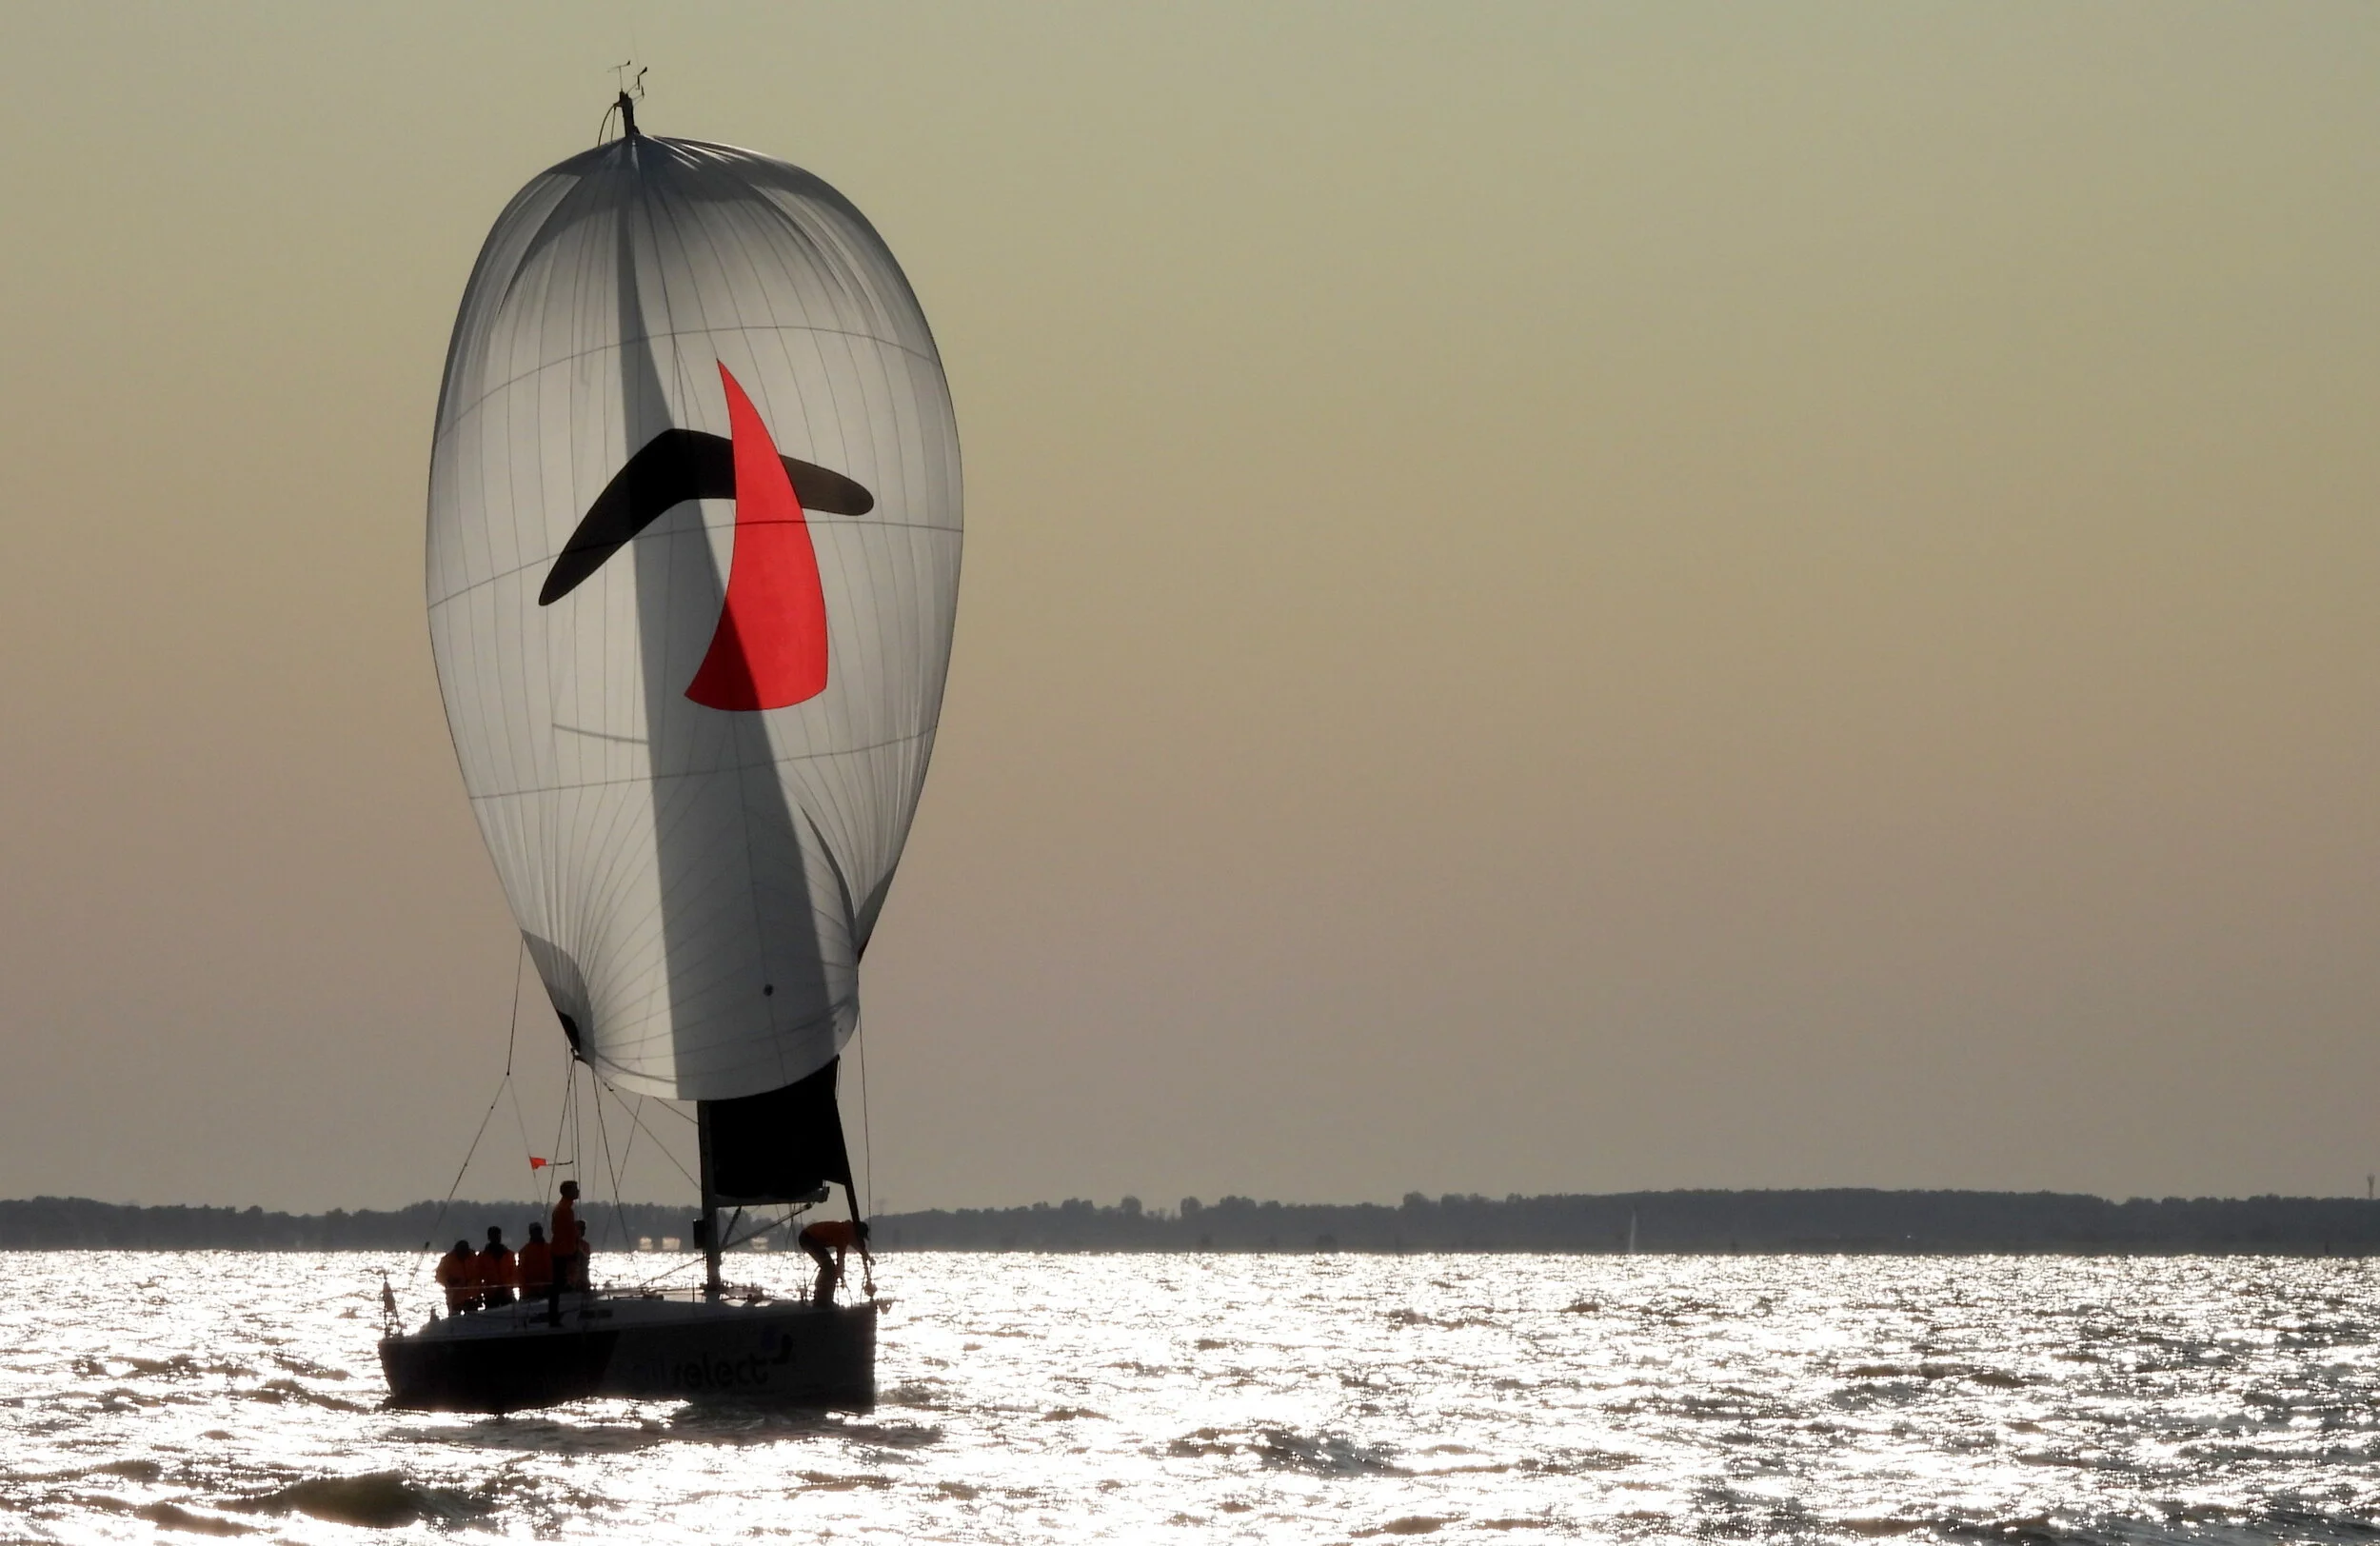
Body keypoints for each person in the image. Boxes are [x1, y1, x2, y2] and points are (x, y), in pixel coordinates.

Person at [797, 1218, 869, 1305]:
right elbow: (841, 1259)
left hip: (810, 1238)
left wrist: (868, 1257)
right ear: (857, 1234)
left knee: (829, 1267)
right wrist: (841, 1275)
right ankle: (822, 1298)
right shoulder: (844, 1234)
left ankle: (824, 1297)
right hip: (808, 1238)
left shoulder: (847, 1230)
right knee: (829, 1268)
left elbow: (856, 1246)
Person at [545, 1181, 581, 1325]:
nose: (578, 1191)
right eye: (575, 1189)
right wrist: (571, 1252)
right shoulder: (564, 1210)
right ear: (568, 1192)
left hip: (563, 1250)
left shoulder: (564, 1208)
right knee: (558, 1284)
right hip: (562, 1252)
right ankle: (554, 1317)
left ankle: (556, 1314)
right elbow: (563, 1233)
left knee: (560, 1284)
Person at [477, 1225, 517, 1309]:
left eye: (497, 1235)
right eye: (493, 1236)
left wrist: (506, 1287)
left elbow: (514, 1273)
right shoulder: (482, 1256)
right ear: (489, 1237)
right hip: (491, 1295)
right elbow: (478, 1277)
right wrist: (479, 1294)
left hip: (506, 1293)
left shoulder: (509, 1254)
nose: (496, 1238)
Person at [435, 1239, 476, 1315]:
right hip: (454, 1298)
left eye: (465, 1250)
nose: (463, 1253)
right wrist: (448, 1280)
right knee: (454, 1318)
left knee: (473, 1320)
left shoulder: (473, 1257)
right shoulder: (447, 1260)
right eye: (461, 1250)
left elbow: (479, 1274)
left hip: (471, 1297)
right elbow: (438, 1276)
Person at [516, 1223, 552, 1306]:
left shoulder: (550, 1249)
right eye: (535, 1231)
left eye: (539, 1230)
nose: (537, 1233)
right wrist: (528, 1289)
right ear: (530, 1233)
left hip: (549, 1290)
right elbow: (521, 1273)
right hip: (530, 1293)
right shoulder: (524, 1251)